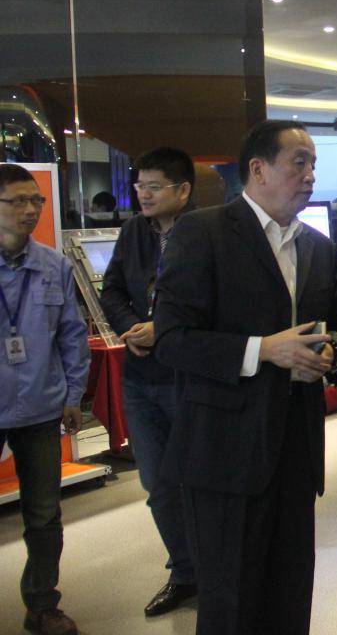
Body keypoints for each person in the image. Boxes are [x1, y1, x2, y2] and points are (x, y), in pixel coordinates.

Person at [153, 121, 337, 635]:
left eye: (313, 165)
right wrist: (262, 350)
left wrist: (329, 354)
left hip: (296, 448)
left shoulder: (317, 248)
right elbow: (171, 339)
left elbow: (331, 330)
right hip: (224, 451)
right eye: (298, 163)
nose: (310, 175)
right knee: (231, 601)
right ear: (257, 170)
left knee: (291, 592)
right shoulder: (204, 233)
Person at [100, 147, 199, 617]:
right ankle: (185, 572)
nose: (143, 194)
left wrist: (165, 329)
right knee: (157, 482)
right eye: (139, 185)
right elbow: (113, 290)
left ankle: (216, 566)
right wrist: (130, 328)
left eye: (153, 186)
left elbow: (216, 302)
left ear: (183, 190)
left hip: (188, 377)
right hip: (140, 377)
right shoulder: (133, 232)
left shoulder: (208, 232)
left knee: (198, 478)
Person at [0, 165, 91, 635]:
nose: (31, 210)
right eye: (17, 201)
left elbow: (72, 335)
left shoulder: (54, 265)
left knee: (43, 515)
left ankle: (41, 604)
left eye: (34, 200)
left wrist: (73, 394)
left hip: (40, 405)